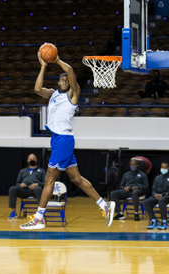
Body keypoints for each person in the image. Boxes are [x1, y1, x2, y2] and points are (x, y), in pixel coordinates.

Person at [19, 52, 115, 230]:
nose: (64, 80)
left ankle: (39, 218)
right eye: (62, 79)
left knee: (49, 179)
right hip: (57, 139)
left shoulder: (73, 95)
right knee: (76, 179)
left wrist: (56, 60)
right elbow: (37, 89)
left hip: (64, 139)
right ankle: (104, 205)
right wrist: (43, 66)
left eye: (67, 80)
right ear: (57, 83)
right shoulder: (53, 94)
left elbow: (70, 70)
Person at [8, 154, 46, 219]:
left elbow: (45, 183)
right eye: (30, 159)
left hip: (34, 190)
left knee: (38, 189)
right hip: (24, 190)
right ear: (28, 160)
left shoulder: (41, 171)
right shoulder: (22, 171)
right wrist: (20, 185)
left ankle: (40, 212)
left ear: (36, 160)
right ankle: (13, 212)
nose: (32, 160)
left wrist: (37, 184)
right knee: (12, 189)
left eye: (33, 158)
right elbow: (17, 183)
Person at [143, 162, 169, 229]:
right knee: (146, 202)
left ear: (168, 168)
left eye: (165, 167)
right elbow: (153, 189)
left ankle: (165, 222)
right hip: (158, 196)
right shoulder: (157, 178)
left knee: (161, 200)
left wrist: (163, 195)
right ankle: (154, 221)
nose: (163, 168)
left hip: (168, 197)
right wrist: (155, 195)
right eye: (162, 167)